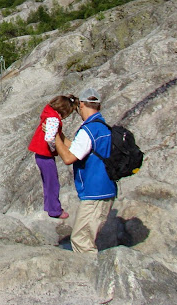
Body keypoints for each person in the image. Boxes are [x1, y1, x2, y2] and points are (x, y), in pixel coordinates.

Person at [55, 87, 116, 254]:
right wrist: (59, 135)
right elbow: (78, 147)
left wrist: (53, 137)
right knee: (84, 237)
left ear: (82, 104)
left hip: (95, 192)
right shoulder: (101, 127)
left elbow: (68, 158)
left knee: (81, 240)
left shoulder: (88, 130)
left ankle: (90, 275)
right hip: (104, 189)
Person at [28, 94, 78, 219]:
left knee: (48, 182)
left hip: (40, 155)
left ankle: (49, 206)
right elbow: (50, 137)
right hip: (45, 155)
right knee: (53, 183)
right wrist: (54, 148)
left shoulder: (48, 113)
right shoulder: (54, 119)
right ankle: (55, 210)